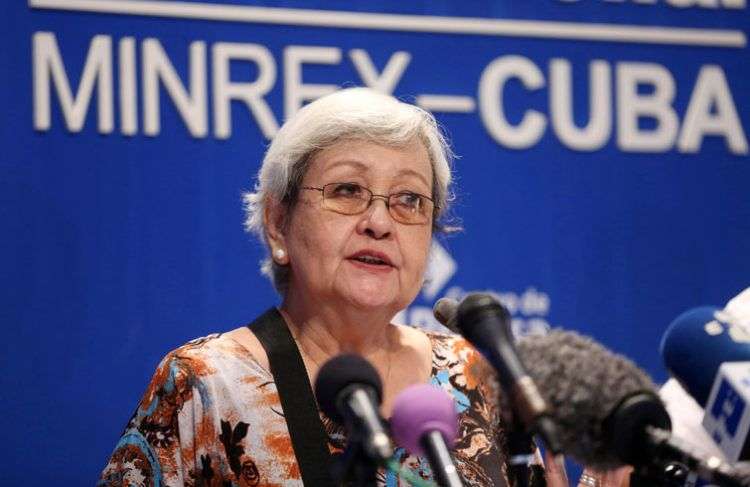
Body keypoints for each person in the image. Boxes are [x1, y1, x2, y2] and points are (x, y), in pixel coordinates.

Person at [98, 87, 595, 486]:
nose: (380, 222)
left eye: (408, 200)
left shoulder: (477, 377)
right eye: (347, 191)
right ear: (278, 224)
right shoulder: (208, 383)